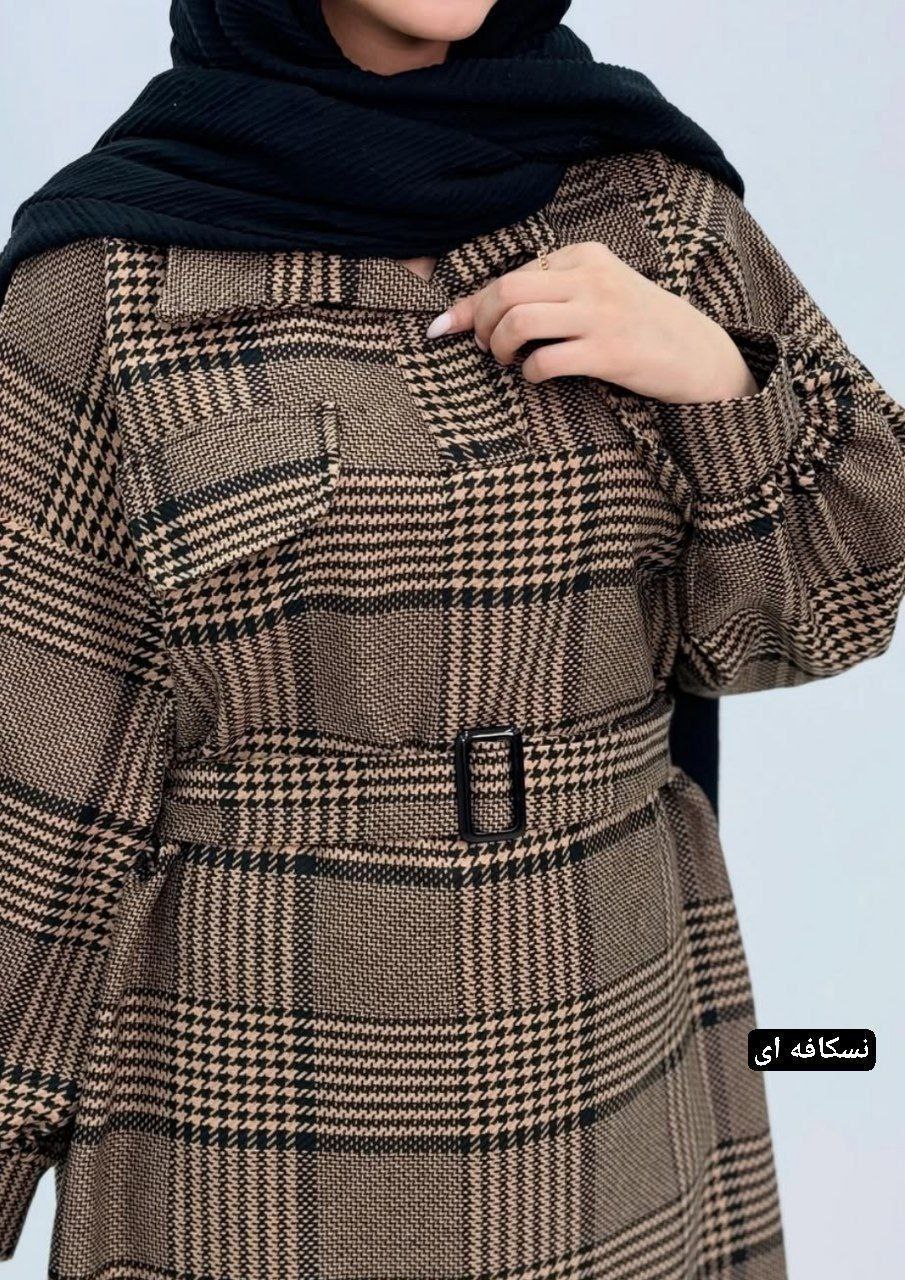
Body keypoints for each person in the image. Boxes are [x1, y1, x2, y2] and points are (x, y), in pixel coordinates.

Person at [0, 2, 902, 1276]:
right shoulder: (102, 282)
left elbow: (828, 610)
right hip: (256, 1092)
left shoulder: (660, 214)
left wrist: (721, 384)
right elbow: (34, 802)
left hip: (620, 1049)